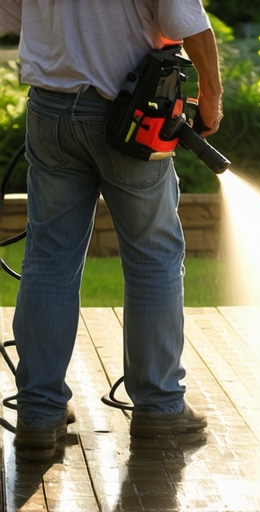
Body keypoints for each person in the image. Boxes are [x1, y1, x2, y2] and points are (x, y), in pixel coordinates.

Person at [0, 0, 223, 460]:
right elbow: (189, 25)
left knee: (49, 257)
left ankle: (39, 412)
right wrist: (213, 99)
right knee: (153, 257)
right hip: (130, 109)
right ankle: (159, 406)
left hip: (51, 111)